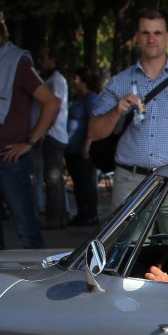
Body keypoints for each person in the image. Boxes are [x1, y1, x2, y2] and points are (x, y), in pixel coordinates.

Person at [87, 8, 168, 208]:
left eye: (157, 33)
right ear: (137, 37)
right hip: (130, 181)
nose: (151, 39)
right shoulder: (119, 82)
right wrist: (116, 112)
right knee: (128, 232)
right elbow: (93, 132)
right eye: (145, 33)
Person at [0, 16, 61, 251]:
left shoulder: (17, 64)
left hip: (9, 160)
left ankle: (39, 275)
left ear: (1, 38)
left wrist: (29, 141)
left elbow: (51, 102)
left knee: (27, 231)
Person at [33, 47, 71, 229]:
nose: (40, 61)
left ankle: (54, 217)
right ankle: (60, 215)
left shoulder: (56, 81)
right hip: (55, 134)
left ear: (52, 59)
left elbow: (54, 108)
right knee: (55, 178)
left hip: (53, 134)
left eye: (43, 57)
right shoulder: (53, 80)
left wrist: (42, 131)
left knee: (52, 179)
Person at [65, 67, 102, 226]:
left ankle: (91, 214)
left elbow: (93, 122)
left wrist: (87, 144)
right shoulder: (76, 98)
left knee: (87, 183)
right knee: (78, 183)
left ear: (82, 80)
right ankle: (82, 213)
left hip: (83, 149)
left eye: (75, 78)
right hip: (72, 148)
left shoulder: (90, 99)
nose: (72, 82)